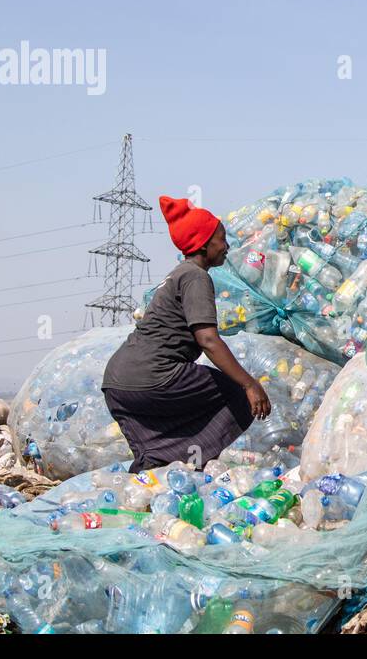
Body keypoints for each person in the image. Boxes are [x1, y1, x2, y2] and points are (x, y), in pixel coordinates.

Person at [101, 195, 271, 472]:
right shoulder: (195, 276)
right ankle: (190, 464)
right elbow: (208, 340)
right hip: (153, 376)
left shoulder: (177, 274)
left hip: (117, 385)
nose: (226, 247)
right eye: (221, 239)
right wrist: (250, 384)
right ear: (204, 244)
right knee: (235, 394)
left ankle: (154, 479)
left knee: (150, 460)